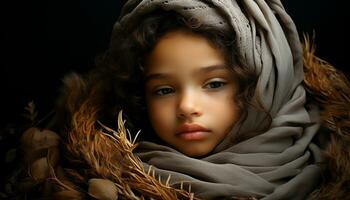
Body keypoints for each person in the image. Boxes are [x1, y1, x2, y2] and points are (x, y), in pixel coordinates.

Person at [10, 0, 350, 199]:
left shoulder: (331, 167)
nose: (187, 107)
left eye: (215, 83)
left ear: (266, 84)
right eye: (164, 90)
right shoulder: (97, 179)